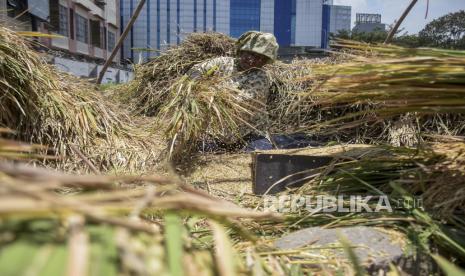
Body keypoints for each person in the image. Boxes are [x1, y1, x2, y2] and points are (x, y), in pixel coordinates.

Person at [187, 31, 279, 142]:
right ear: (242, 51)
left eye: (261, 58)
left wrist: (208, 94)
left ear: (264, 62)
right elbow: (196, 71)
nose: (253, 60)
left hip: (249, 134)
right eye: (251, 54)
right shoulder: (222, 63)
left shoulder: (262, 78)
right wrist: (197, 85)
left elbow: (240, 103)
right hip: (214, 132)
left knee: (258, 155)